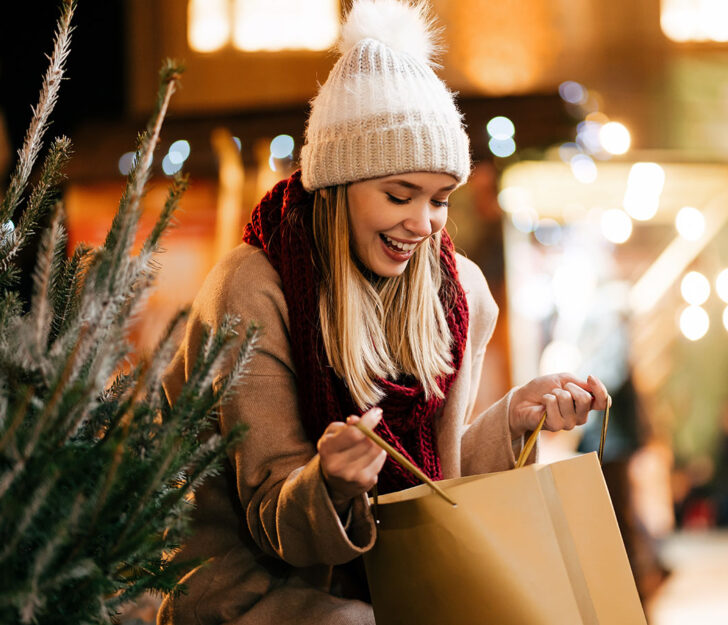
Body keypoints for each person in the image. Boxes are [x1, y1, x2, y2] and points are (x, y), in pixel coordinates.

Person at [157, 1, 608, 623]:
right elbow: (269, 516)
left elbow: (433, 491)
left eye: (440, 200)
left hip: (396, 575)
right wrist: (332, 483)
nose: (422, 224)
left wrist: (513, 420)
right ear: (338, 187)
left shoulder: (457, 295)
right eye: (399, 195)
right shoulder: (251, 288)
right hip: (251, 587)